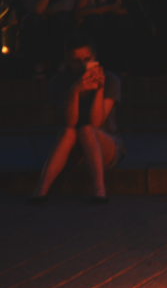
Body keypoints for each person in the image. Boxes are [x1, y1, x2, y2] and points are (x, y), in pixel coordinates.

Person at [30, 32, 123, 204]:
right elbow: (69, 122)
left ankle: (100, 191)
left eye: (87, 59)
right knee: (68, 132)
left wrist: (99, 88)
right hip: (74, 147)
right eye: (76, 61)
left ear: (94, 57)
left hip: (106, 145)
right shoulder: (58, 82)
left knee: (87, 129)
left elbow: (96, 123)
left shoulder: (110, 80)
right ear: (66, 61)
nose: (82, 65)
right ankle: (40, 192)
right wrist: (74, 91)